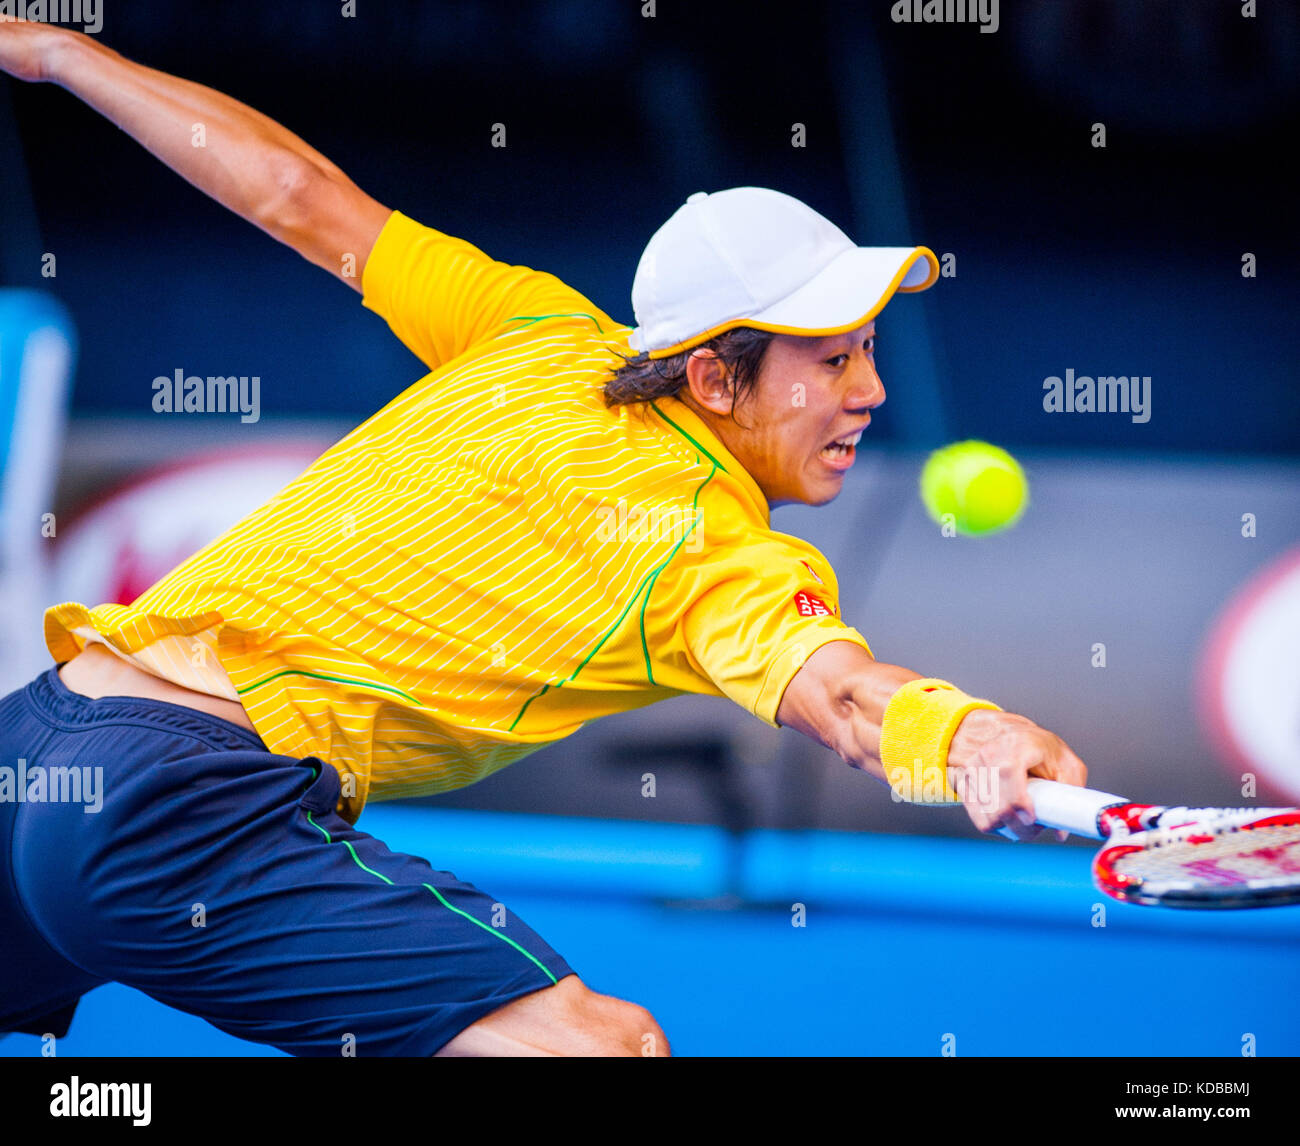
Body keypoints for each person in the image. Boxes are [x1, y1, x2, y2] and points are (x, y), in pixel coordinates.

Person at [0, 22, 1087, 1057]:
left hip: (37, 739)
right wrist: (965, 734)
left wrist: (60, 55)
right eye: (831, 362)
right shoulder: (709, 547)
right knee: (601, 1049)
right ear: (711, 376)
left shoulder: (534, 326)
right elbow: (843, 696)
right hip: (166, 803)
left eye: (866, 353)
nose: (872, 393)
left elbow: (295, 196)